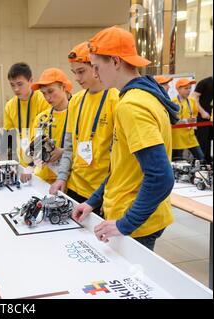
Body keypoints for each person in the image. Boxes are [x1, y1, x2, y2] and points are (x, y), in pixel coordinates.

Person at [72, 26, 179, 251]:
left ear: (116, 61)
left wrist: (125, 224)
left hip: (136, 224)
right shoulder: (143, 95)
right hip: (136, 216)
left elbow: (160, 177)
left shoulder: (132, 105)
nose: (95, 73)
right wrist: (94, 201)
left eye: (96, 66)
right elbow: (122, 168)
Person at [49, 42, 119, 210]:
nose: (77, 78)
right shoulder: (76, 101)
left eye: (81, 72)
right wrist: (62, 177)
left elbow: (118, 157)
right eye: (74, 73)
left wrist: (109, 194)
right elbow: (69, 147)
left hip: (101, 191)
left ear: (95, 68)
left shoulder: (115, 100)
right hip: (74, 186)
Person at [0, 63, 51, 168]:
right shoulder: (10, 106)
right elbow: (8, 135)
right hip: (23, 162)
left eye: (20, 84)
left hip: (43, 161)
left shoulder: (43, 100)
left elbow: (47, 134)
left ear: (30, 81)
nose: (16, 89)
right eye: (12, 85)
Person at [20, 68, 73, 184]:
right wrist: (29, 168)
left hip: (68, 181)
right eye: (43, 93)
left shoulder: (77, 115)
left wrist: (63, 151)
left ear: (63, 88)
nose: (47, 97)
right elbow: (37, 150)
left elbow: (86, 148)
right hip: (42, 179)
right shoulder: (41, 118)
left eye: (50, 91)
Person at [171, 78, 205, 161]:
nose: (189, 91)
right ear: (178, 89)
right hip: (177, 137)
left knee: (201, 159)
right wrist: (186, 121)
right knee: (177, 162)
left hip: (190, 137)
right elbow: (173, 121)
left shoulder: (192, 101)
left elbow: (194, 115)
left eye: (190, 88)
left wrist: (193, 124)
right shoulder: (173, 102)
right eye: (186, 88)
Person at [193, 76, 213, 162]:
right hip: (203, 119)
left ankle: (209, 162)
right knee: (203, 142)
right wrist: (202, 112)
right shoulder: (204, 82)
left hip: (212, 119)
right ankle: (202, 163)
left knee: (210, 143)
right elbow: (194, 98)